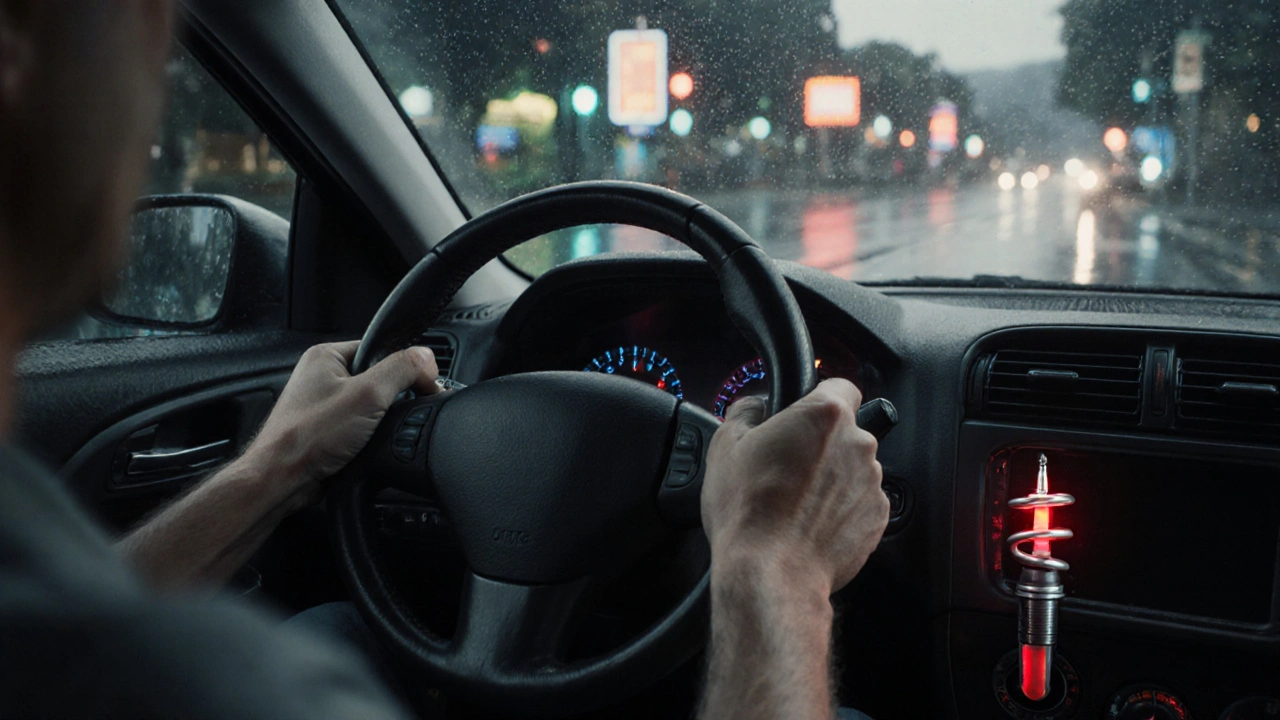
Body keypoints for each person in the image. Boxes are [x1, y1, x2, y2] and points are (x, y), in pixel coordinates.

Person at [0, 2, 888, 718]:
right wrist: (773, 562)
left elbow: (72, 628)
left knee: (340, 626)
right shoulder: (245, 687)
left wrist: (282, 462)